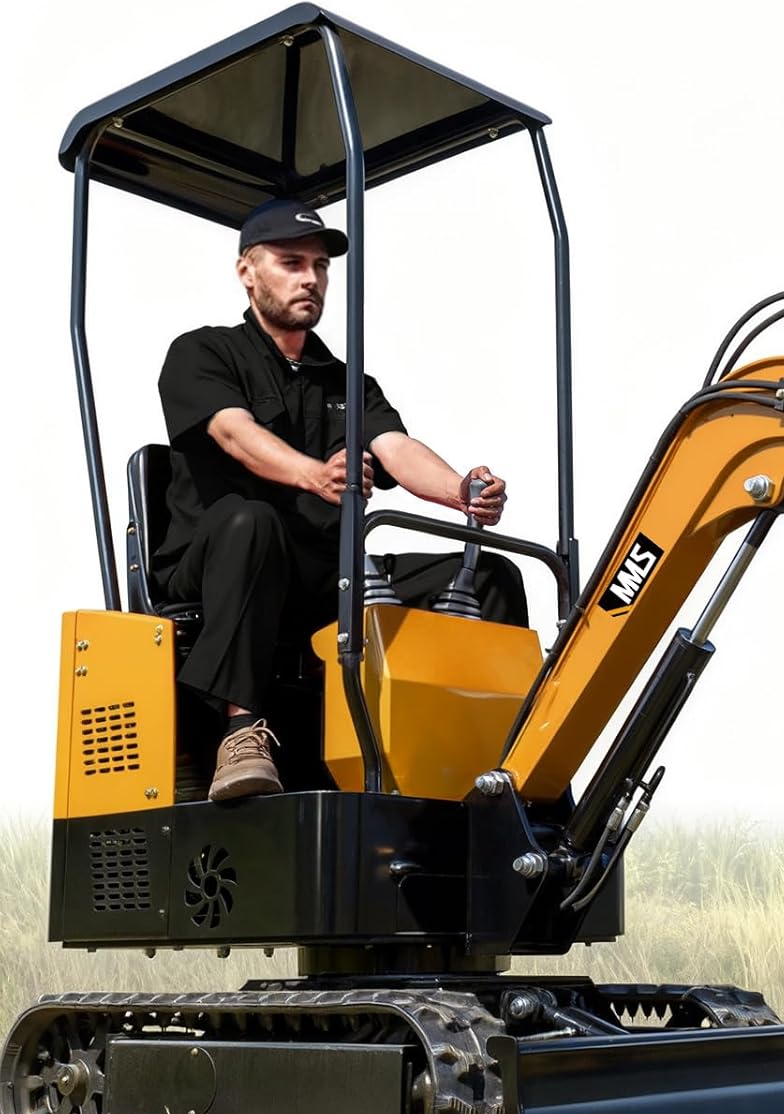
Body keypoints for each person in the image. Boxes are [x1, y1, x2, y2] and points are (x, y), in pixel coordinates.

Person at [156, 198, 526, 802]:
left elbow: (395, 448)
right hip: (221, 566)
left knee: (492, 575)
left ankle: (500, 758)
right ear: (247, 271)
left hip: (324, 574)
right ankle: (241, 735)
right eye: (291, 262)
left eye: (320, 266)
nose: (310, 278)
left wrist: (461, 491)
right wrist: (312, 475)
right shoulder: (204, 353)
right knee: (253, 522)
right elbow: (232, 432)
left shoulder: (344, 380)